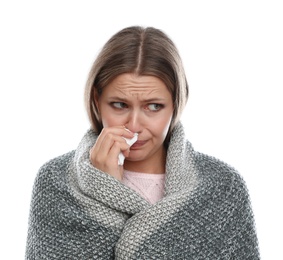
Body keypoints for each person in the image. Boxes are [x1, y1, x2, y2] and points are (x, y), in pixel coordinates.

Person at [25, 26, 260, 259]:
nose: (134, 125)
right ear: (97, 100)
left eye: (154, 106)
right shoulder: (56, 182)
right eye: (119, 105)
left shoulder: (222, 188)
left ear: (176, 104)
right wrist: (104, 187)